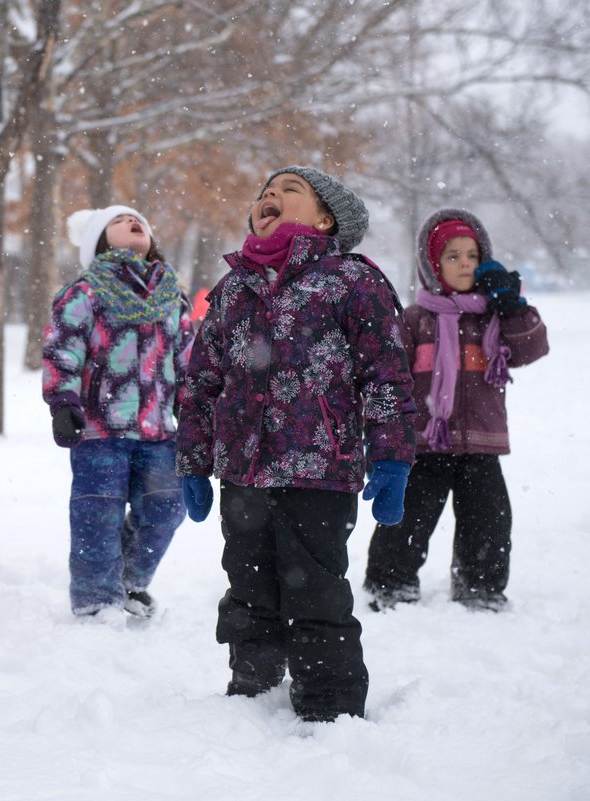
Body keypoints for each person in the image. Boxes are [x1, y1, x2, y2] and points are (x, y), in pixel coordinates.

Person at [176, 166, 416, 722]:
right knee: (247, 582)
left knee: (317, 590)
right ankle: (253, 681)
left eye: (290, 191)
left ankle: (329, 702)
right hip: (243, 470)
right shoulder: (234, 288)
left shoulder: (351, 279)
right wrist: (193, 459)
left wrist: (392, 456)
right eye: (264, 193)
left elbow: (386, 375)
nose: (271, 197)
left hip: (320, 468)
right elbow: (201, 383)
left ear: (326, 218)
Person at [364, 208, 549, 613]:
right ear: (433, 266)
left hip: (482, 441)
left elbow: (532, 348)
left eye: (472, 255)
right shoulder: (414, 320)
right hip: (426, 442)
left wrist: (512, 305)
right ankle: (390, 582)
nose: (465, 263)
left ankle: (480, 586)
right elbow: (388, 376)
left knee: (488, 519)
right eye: (453, 256)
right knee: (408, 517)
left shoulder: (494, 318)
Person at [42, 205, 193, 619]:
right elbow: (62, 350)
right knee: (97, 517)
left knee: (167, 507)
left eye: (139, 219)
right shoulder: (86, 293)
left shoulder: (171, 296)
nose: (133, 222)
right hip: (100, 431)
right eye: (117, 221)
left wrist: (193, 406)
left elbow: (187, 361)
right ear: (99, 242)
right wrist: (63, 402)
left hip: (159, 431)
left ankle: (129, 579)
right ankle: (95, 601)